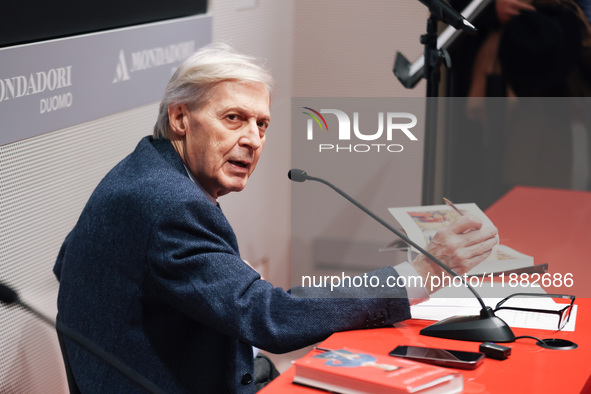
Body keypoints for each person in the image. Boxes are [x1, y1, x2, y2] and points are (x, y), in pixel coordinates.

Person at [53, 43, 498, 393]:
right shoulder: (170, 203)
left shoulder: (141, 172)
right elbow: (270, 318)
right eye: (233, 118)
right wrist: (417, 273)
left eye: (261, 124)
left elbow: (68, 258)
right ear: (180, 118)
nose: (251, 140)